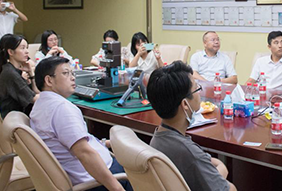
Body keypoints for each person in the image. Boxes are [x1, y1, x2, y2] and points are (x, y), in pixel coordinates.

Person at [31, 57, 132, 191]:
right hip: (96, 181)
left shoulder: (40, 105)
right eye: (66, 73)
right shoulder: (62, 109)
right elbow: (84, 153)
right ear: (49, 80)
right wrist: (117, 188)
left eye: (72, 73)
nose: (73, 78)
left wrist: (103, 143)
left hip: (82, 174)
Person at [148, 61, 236, 191]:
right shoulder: (189, 153)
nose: (199, 94)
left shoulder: (158, 138)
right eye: (197, 89)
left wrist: (212, 164)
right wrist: (222, 167)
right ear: (185, 104)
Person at [0, 34, 39, 118]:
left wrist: (31, 73)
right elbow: (34, 99)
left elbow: (36, 91)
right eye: (22, 48)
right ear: (10, 52)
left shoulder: (13, 70)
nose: (27, 51)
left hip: (15, 117)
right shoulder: (10, 73)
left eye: (27, 48)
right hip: (10, 119)